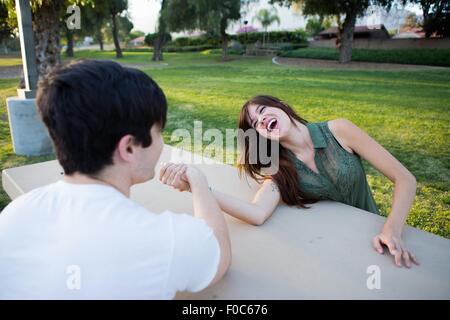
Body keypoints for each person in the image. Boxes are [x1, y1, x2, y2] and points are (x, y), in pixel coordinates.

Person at [0, 60, 231, 299]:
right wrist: (199, 181)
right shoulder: (163, 241)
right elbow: (220, 252)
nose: (162, 143)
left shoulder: (14, 213)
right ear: (129, 147)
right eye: (158, 132)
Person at [160, 95, 419, 269]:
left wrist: (391, 230)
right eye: (255, 123)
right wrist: (198, 186)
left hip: (378, 236)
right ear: (260, 134)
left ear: (281, 106)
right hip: (339, 254)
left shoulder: (339, 130)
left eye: (263, 111)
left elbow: (405, 179)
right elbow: (257, 213)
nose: (261, 119)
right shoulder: (280, 169)